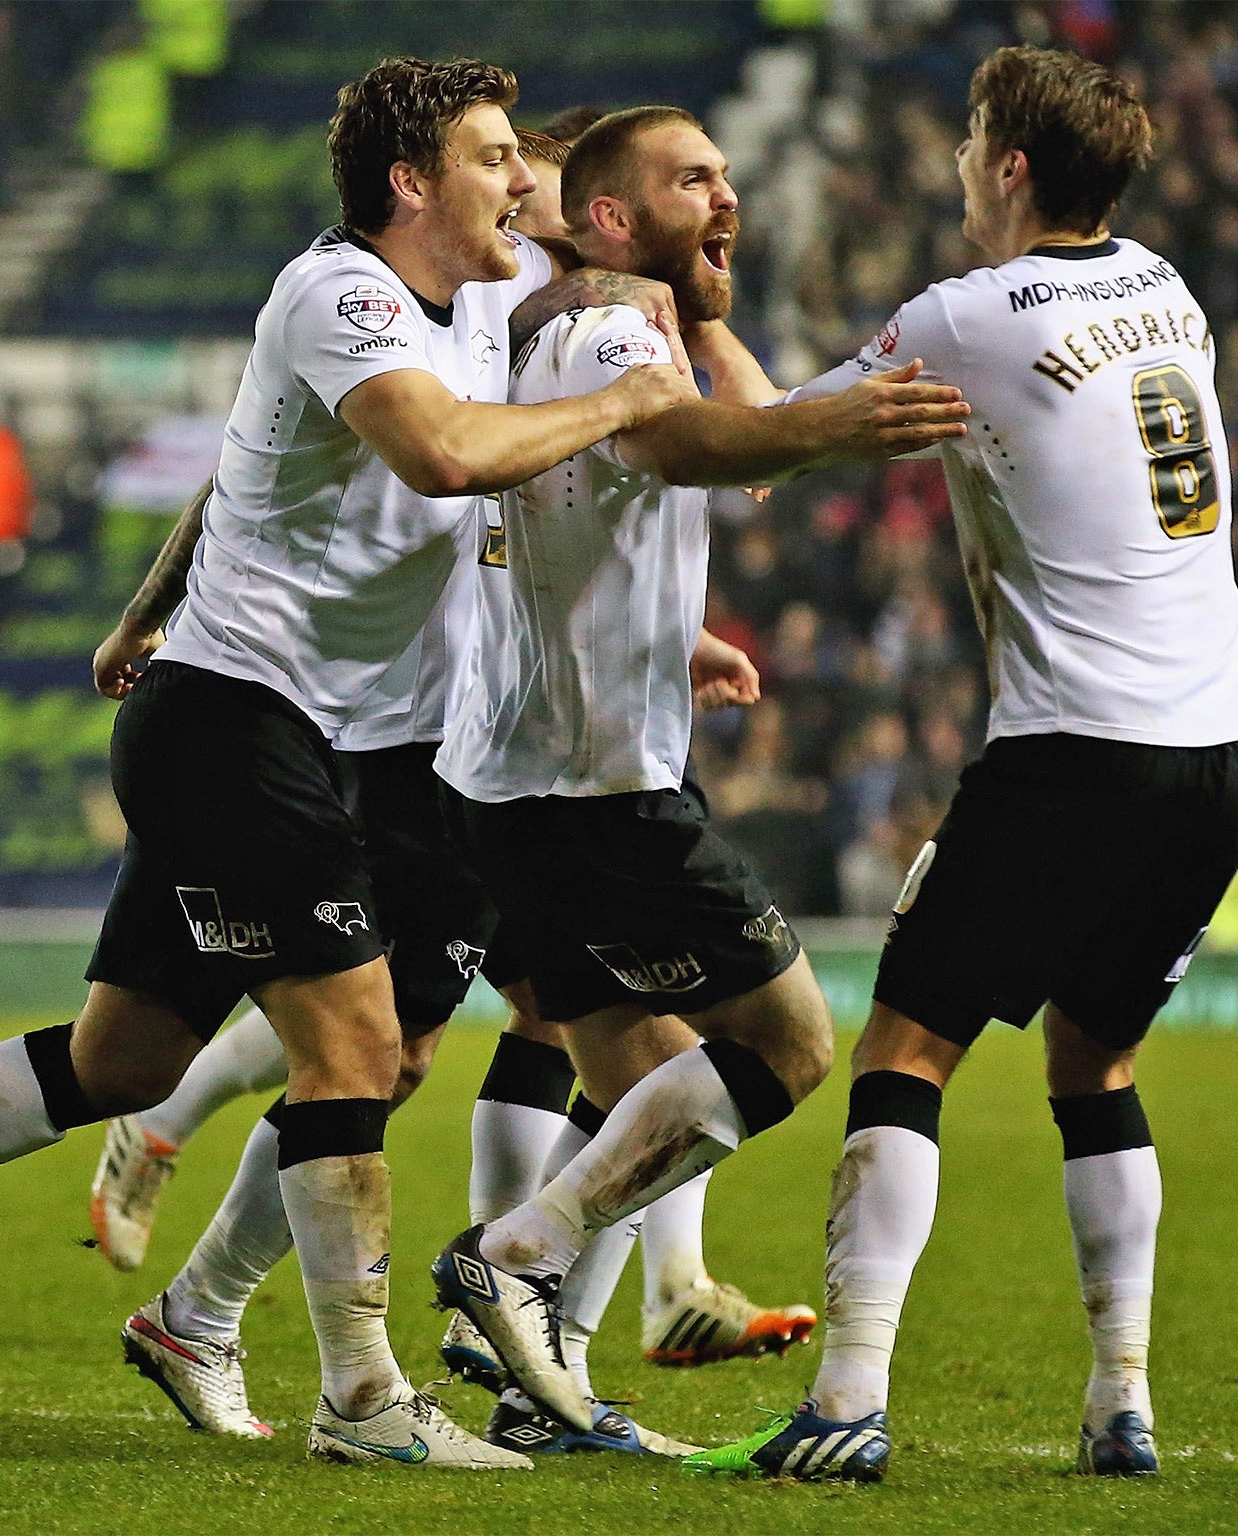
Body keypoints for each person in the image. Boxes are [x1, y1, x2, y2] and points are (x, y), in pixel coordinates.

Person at [0, 57, 695, 1471]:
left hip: (356, 741)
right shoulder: (337, 292)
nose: (518, 185)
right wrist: (631, 403)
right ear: (410, 184)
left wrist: (141, 603)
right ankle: (363, 1399)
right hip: (238, 725)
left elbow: (239, 465)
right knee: (353, 1047)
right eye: (491, 160)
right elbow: (438, 456)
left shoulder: (481, 293)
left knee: (129, 1058)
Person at [682, 47, 1238, 1484]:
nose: (954, 161)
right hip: (1225, 746)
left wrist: (689, 326)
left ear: (1010, 165)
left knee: (904, 1052)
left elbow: (768, 447)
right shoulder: (1166, 286)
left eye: (968, 138)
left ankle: (848, 1398)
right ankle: (1121, 1397)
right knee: (1096, 1055)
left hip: (1078, 746)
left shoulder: (971, 314)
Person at [426, 105, 972, 1439]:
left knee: (637, 1084)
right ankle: (514, 1258)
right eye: (692, 180)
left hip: (509, 783)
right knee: (785, 1044)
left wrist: (686, 638)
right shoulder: (614, 332)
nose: (726, 194)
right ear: (611, 217)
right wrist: (842, 425)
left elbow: (675, 462)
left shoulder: (556, 324)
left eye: (729, 174)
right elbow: (684, 447)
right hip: (598, 795)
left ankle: (534, 1389)